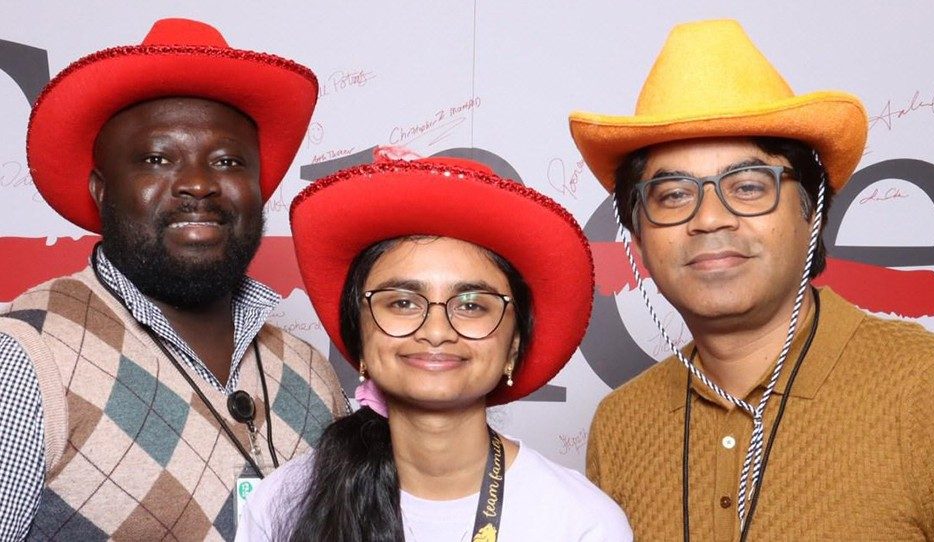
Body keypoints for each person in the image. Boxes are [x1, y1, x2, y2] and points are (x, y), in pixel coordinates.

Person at [569, 19, 934, 541]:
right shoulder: (621, 424)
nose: (709, 218)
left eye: (749, 186)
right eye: (673, 195)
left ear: (812, 212)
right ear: (637, 238)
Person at [0, 18, 347, 541]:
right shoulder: (23, 360)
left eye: (228, 161)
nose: (199, 184)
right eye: (157, 159)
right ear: (101, 190)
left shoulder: (312, 374)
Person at [236, 153, 633, 541]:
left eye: (472, 305)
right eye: (403, 303)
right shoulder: (281, 506)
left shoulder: (582, 522)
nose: (437, 330)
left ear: (513, 346)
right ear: (360, 335)